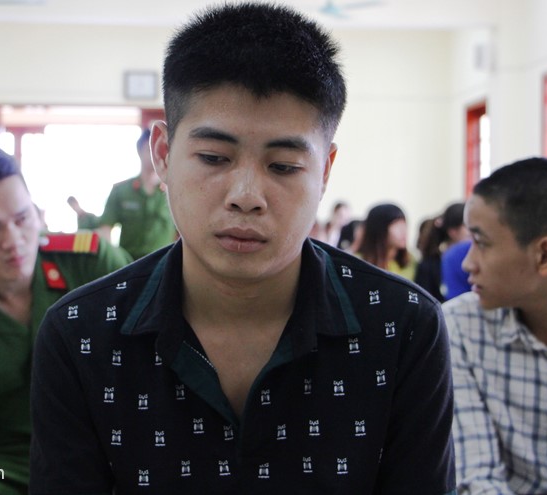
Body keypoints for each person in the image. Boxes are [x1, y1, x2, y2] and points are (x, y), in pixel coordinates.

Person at [30, 3, 456, 494]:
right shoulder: (81, 333)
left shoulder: (402, 327)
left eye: (283, 166)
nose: (246, 196)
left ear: (324, 170)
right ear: (163, 154)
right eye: (214, 157)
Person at [0, 139, 132, 495]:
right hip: (4, 468)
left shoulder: (92, 263)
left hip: (110, 448)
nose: (14, 240)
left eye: (22, 218)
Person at [442, 157, 547, 494]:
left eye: (481, 243)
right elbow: (477, 478)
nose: (467, 263)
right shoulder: (461, 326)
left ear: (545, 256)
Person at [97, 128, 176, 259]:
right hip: (128, 264)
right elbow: (105, 229)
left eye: (162, 149)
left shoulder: (174, 191)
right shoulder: (121, 190)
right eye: (150, 150)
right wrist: (111, 259)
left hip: (164, 264)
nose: (156, 154)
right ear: (139, 151)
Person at [358, 203, 417, 281]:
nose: (404, 231)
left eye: (404, 224)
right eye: (397, 225)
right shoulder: (358, 262)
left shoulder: (412, 261)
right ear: (380, 229)